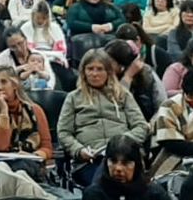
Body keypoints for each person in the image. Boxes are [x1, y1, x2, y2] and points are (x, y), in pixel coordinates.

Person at [57, 49, 149, 185]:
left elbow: (141, 126)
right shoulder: (73, 98)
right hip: (90, 160)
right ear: (83, 72)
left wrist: (121, 144)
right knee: (107, 177)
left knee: (120, 171)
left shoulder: (123, 95)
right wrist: (78, 150)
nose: (95, 74)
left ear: (108, 72)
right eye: (90, 69)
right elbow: (64, 133)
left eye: (100, 69)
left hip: (123, 156)